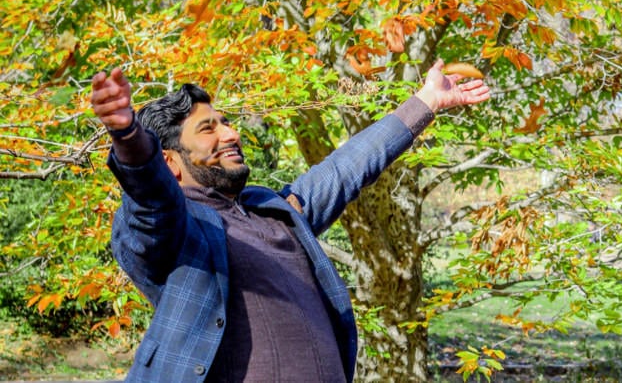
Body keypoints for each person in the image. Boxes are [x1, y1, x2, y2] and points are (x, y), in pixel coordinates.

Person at [90, 61, 490, 383]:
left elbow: (346, 168)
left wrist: (427, 100)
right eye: (208, 128)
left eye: (225, 122)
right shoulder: (176, 231)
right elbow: (152, 200)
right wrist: (128, 137)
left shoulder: (275, 210)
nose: (231, 134)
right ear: (169, 162)